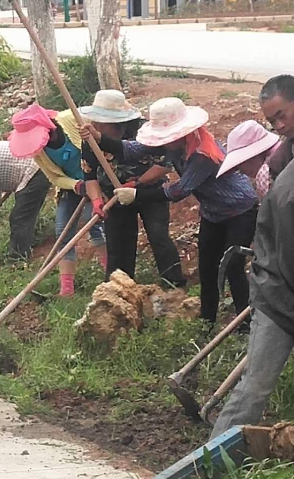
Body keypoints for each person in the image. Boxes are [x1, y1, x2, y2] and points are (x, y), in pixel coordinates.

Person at [113, 97, 258, 325]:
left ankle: (247, 323)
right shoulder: (173, 144)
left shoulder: (203, 155)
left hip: (240, 211)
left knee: (233, 266)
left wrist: (137, 195)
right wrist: (97, 138)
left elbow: (179, 190)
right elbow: (133, 150)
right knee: (207, 266)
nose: (163, 140)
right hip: (212, 212)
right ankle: (207, 320)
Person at [210, 74, 294, 439]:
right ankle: (210, 463)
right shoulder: (281, 169)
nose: (279, 125)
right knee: (254, 386)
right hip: (278, 290)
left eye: (282, 116)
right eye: (273, 120)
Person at [78, 90, 186, 287]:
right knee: (118, 243)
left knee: (158, 234)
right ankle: (118, 287)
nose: (96, 126)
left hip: (149, 190)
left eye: (102, 122)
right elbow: (89, 175)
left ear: (117, 123)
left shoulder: (145, 130)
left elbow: (164, 164)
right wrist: (96, 201)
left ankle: (173, 283)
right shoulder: (89, 138)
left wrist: (137, 184)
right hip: (114, 195)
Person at [9, 103, 106, 297]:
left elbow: (100, 138)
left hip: (99, 179)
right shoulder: (38, 149)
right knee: (62, 231)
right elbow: (54, 177)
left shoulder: (71, 120)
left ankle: (112, 274)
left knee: (92, 222)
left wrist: (94, 182)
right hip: (71, 187)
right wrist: (76, 185)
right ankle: (66, 291)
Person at [216, 119, 283, 199]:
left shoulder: (265, 175)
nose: (241, 172)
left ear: (252, 157)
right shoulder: (286, 149)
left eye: (239, 165)